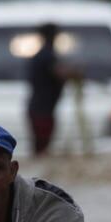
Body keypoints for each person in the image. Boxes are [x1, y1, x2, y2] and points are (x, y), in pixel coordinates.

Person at [26, 22, 68, 155]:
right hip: (41, 109)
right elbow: (59, 73)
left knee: (41, 146)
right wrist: (75, 73)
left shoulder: (45, 54)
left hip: (43, 108)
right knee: (42, 147)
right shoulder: (46, 55)